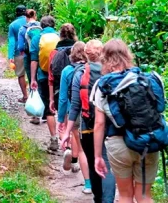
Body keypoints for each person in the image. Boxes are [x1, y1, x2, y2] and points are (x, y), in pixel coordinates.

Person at [94, 39, 164, 203]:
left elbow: (99, 124)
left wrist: (98, 156)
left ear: (104, 58)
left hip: (119, 145)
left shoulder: (104, 84)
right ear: (127, 55)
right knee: (144, 196)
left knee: (125, 195)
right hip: (149, 140)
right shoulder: (145, 80)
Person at [60, 40, 116, 203]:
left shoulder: (80, 74)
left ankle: (98, 198)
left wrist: (66, 132)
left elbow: (75, 106)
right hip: (108, 125)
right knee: (106, 162)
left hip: (87, 127)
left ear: (86, 54)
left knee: (92, 163)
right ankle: (108, 200)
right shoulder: (110, 73)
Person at [57, 41, 92, 194]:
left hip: (75, 112)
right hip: (94, 113)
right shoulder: (93, 68)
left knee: (79, 141)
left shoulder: (67, 70)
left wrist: (60, 119)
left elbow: (63, 98)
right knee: (96, 148)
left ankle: (88, 183)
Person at [30, 16, 59, 150]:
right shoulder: (60, 37)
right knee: (64, 109)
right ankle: (69, 143)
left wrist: (33, 79)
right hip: (60, 77)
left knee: (49, 109)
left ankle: (54, 140)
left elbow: (34, 60)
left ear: (41, 26)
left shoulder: (37, 38)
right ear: (53, 25)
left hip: (43, 76)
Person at [18, 9, 42, 124]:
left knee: (33, 81)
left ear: (25, 17)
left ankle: (35, 116)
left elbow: (20, 47)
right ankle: (46, 112)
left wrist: (23, 53)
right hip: (42, 56)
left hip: (29, 57)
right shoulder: (41, 26)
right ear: (35, 15)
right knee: (42, 81)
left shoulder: (23, 28)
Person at [8, 5, 28, 103]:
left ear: (16, 13)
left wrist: (10, 56)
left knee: (21, 75)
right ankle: (35, 96)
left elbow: (12, 41)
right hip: (32, 53)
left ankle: (25, 96)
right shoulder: (32, 22)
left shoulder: (13, 25)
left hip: (18, 53)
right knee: (33, 76)